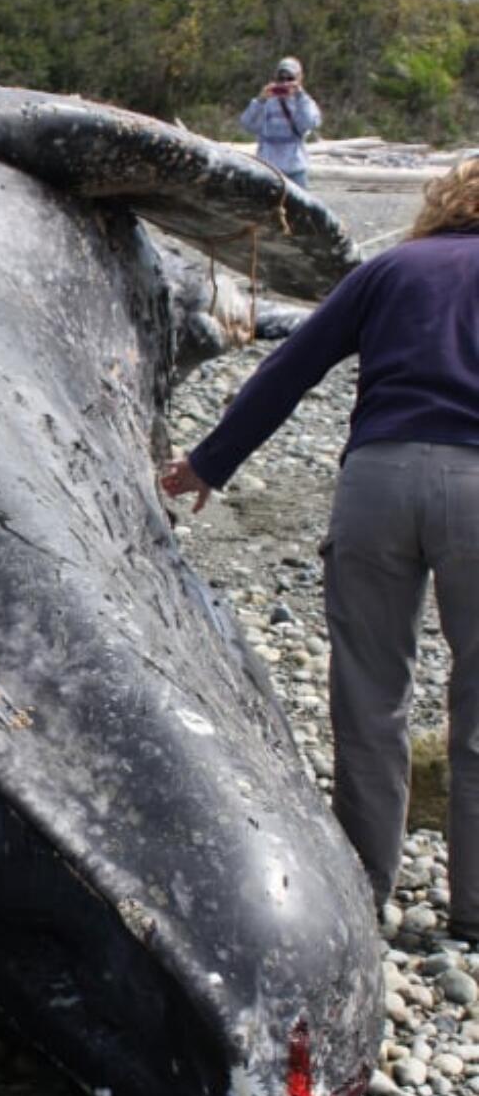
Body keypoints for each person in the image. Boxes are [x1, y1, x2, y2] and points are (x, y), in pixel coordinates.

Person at [161, 160, 479, 944]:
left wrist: (211, 461)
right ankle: (474, 911)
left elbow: (290, 368)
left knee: (370, 697)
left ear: (440, 201)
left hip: (378, 483)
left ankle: (365, 892)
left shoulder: (391, 269)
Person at [240, 56, 321, 189]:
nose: (285, 83)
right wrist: (259, 101)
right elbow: (247, 124)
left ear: (299, 79)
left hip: (295, 170)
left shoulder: (304, 103)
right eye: (281, 79)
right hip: (268, 169)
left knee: (297, 210)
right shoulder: (267, 103)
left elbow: (311, 123)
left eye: (290, 79)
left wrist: (300, 96)